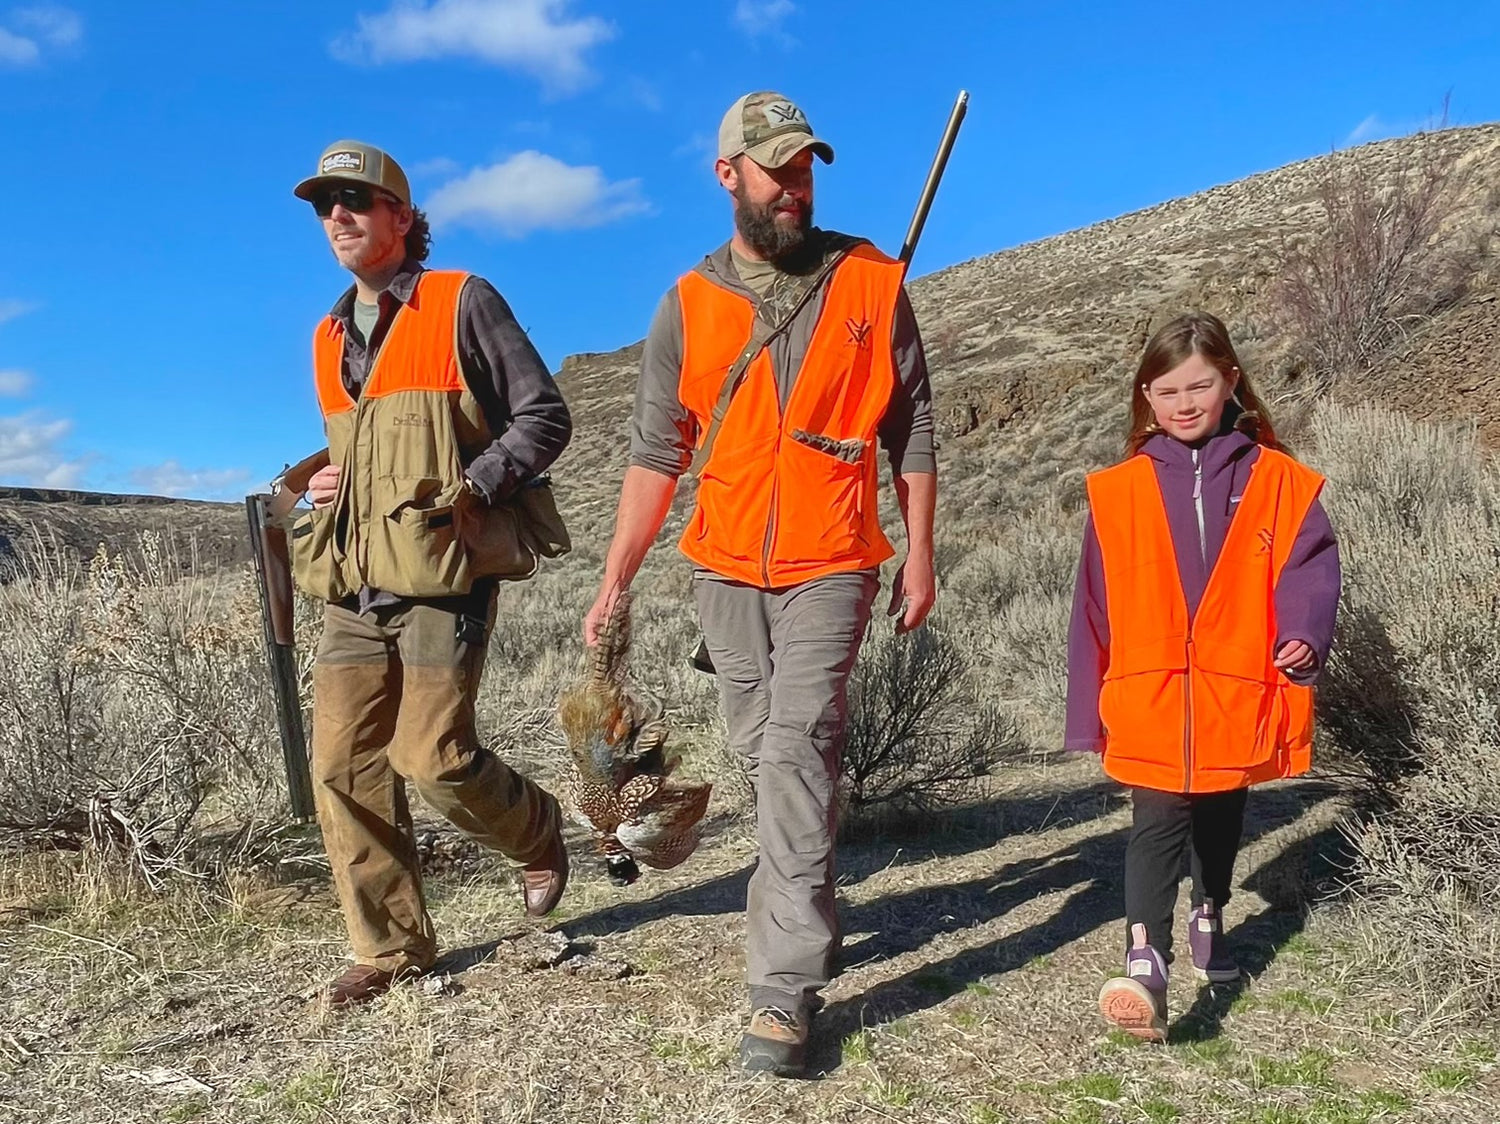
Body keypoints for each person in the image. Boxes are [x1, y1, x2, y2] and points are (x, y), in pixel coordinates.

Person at [583, 92, 937, 1076]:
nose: (797, 185)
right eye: (776, 168)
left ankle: (781, 990)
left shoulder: (870, 278)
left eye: (806, 167)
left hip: (834, 553)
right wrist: (615, 579)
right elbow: (658, 453)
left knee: (795, 747)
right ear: (728, 174)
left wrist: (921, 546)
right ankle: (809, 912)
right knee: (766, 752)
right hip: (724, 564)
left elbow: (911, 424)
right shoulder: (687, 303)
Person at [289, 139, 572, 1007]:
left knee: (432, 757)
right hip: (354, 583)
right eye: (325, 204)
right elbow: (364, 449)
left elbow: (544, 417)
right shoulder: (327, 334)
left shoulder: (462, 300)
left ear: (403, 219)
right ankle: (390, 948)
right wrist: (317, 478)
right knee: (339, 765)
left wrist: (477, 484)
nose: (339, 216)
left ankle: (537, 831)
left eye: (357, 201)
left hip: (446, 572)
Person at [1066, 311, 1341, 1041]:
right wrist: (1085, 707)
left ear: (1231, 384)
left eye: (1199, 386)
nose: (1183, 404)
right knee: (1156, 816)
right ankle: (1145, 962)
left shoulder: (1279, 480)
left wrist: (1304, 636)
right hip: (1148, 688)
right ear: (1145, 397)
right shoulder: (1117, 490)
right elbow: (1091, 605)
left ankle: (1208, 908)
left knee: (1219, 806)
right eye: (1165, 391)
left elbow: (1308, 569)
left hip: (1235, 684)